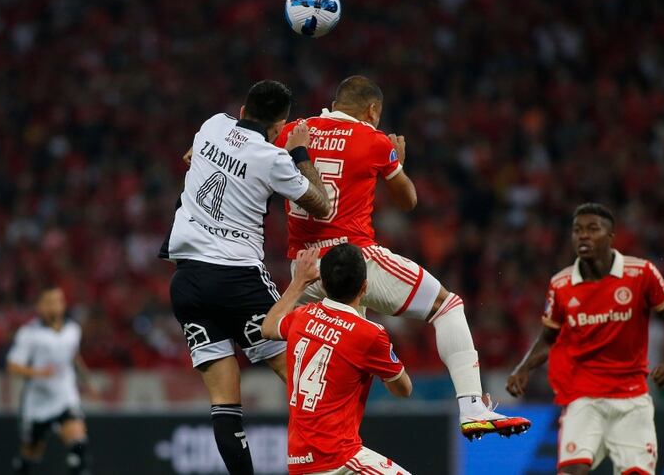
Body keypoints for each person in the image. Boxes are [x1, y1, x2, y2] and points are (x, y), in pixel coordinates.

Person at [271, 75, 529, 439]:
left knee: (343, 364)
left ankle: (328, 453)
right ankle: (472, 405)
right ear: (373, 110)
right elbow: (409, 202)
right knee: (446, 305)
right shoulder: (373, 140)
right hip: (353, 256)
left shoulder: (295, 130)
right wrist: (398, 166)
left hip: (304, 269)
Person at [159, 80, 330, 475]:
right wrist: (299, 151)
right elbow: (321, 206)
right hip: (238, 280)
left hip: (186, 283)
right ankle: (329, 464)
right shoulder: (274, 158)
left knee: (224, 401)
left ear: (241, 110)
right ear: (279, 125)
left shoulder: (211, 126)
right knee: (300, 374)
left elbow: (190, 157)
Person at [506, 203, 664, 475]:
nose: (583, 236)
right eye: (577, 230)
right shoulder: (561, 284)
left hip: (632, 399)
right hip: (583, 398)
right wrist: (523, 369)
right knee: (572, 470)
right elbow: (548, 337)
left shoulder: (641, 274)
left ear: (611, 237)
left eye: (593, 229)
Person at [262, 244, 413, 475]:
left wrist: (298, 283)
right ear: (365, 287)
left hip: (299, 462)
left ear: (322, 283)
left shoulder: (303, 316)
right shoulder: (369, 334)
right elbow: (403, 390)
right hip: (339, 460)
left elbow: (268, 327)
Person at [6, 285, 92, 475]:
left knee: (78, 444)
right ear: (39, 307)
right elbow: (13, 365)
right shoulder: (29, 333)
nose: (54, 306)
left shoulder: (73, 330)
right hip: (37, 401)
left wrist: (86, 381)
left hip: (64, 396)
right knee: (30, 455)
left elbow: (73, 356)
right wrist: (39, 373)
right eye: (49, 302)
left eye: (58, 301)